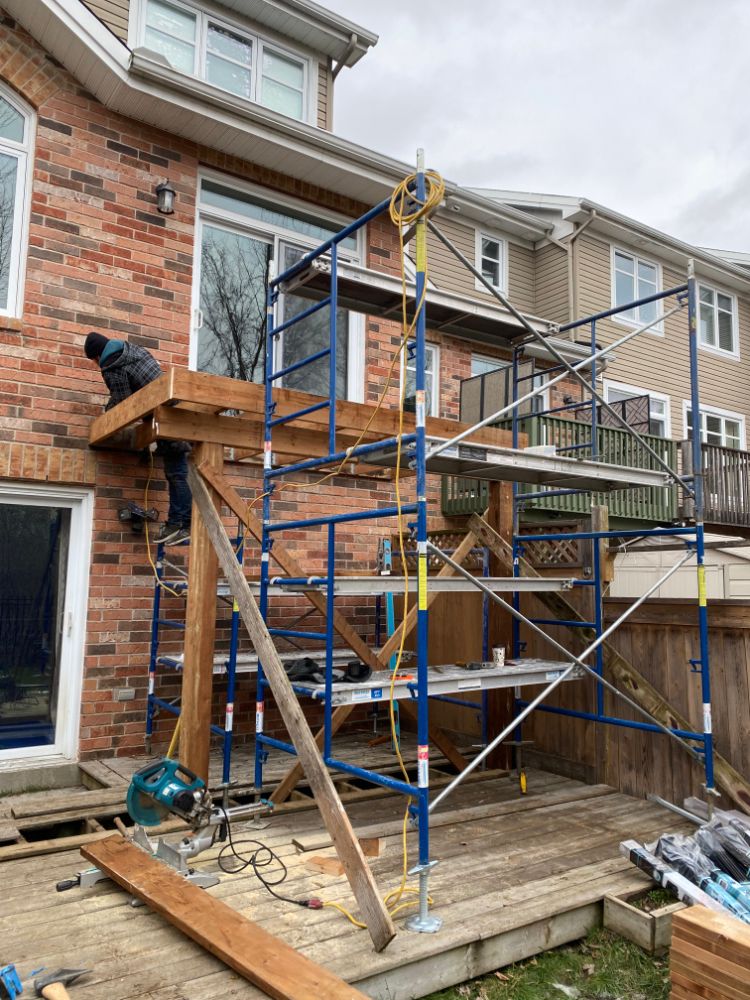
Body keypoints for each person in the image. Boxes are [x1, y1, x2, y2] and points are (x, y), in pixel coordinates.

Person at [84, 332, 192, 544]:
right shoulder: (133, 350)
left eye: (94, 361)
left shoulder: (111, 366)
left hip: (166, 419)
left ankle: (183, 524)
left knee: (177, 473)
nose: (97, 365)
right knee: (174, 472)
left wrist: (105, 417)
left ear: (97, 356)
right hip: (172, 412)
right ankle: (176, 523)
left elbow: (123, 402)